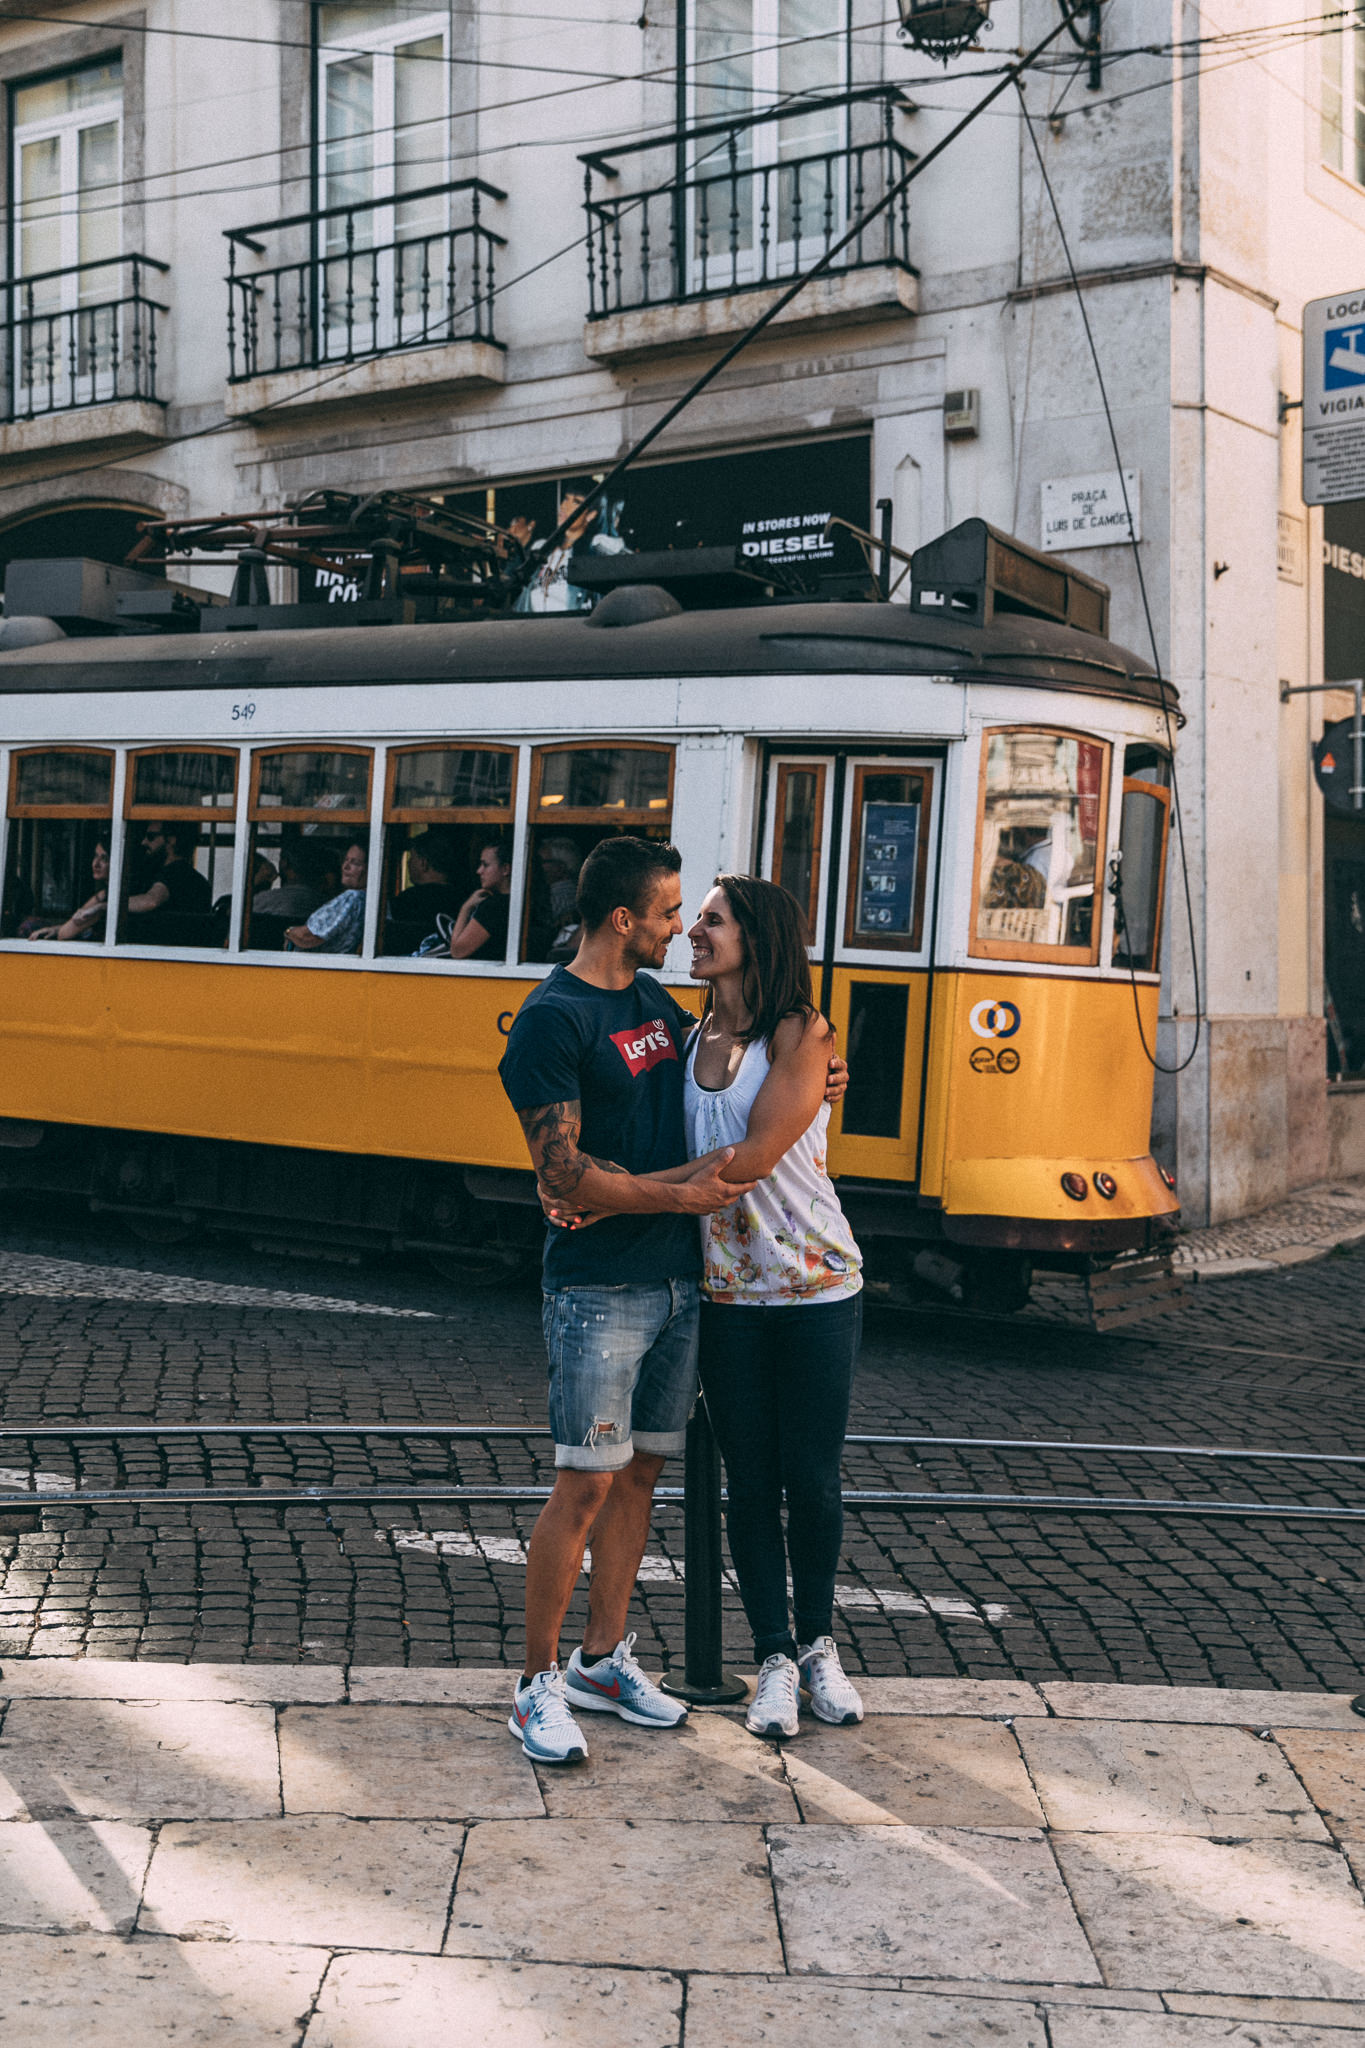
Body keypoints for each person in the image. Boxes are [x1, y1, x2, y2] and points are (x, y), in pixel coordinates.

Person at [498, 836, 847, 1766]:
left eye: (699, 915)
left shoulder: (655, 1004)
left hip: (679, 1283)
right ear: (624, 921)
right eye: (668, 913)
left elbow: (725, 1099)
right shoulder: (552, 1019)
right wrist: (673, 1194)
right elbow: (563, 1173)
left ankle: (601, 1662)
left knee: (641, 1476)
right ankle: (533, 1688)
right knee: (583, 1481)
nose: (681, 926)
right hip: (601, 1285)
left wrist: (815, 1082)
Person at [682, 875, 865, 1741]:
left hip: (816, 1286)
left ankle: (821, 1645)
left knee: (811, 1478)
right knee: (747, 1482)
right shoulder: (687, 1037)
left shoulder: (802, 1033)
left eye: (712, 920)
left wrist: (619, 1191)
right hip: (727, 1294)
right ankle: (774, 1661)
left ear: (754, 937)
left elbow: (752, 1157)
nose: (694, 929)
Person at [513, 492, 628, 615]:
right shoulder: (542, 548)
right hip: (534, 627)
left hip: (573, 629)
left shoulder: (597, 546)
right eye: (565, 499)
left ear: (591, 515)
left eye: (576, 502)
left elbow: (629, 569)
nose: (564, 506)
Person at [285, 840, 367, 953]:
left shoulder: (352, 897)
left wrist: (289, 932)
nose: (345, 867)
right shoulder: (373, 900)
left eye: (355, 863)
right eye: (345, 860)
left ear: (369, 869)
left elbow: (308, 937)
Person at [26, 840, 109, 942]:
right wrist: (54, 930)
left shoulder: (128, 897)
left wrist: (101, 907)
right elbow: (74, 922)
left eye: (104, 859)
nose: (96, 864)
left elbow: (126, 904)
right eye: (95, 856)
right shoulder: (102, 895)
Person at [447, 837, 512, 961]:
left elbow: (457, 951)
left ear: (505, 869)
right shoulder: (522, 902)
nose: (479, 871)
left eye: (485, 865)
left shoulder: (494, 907)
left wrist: (466, 908)